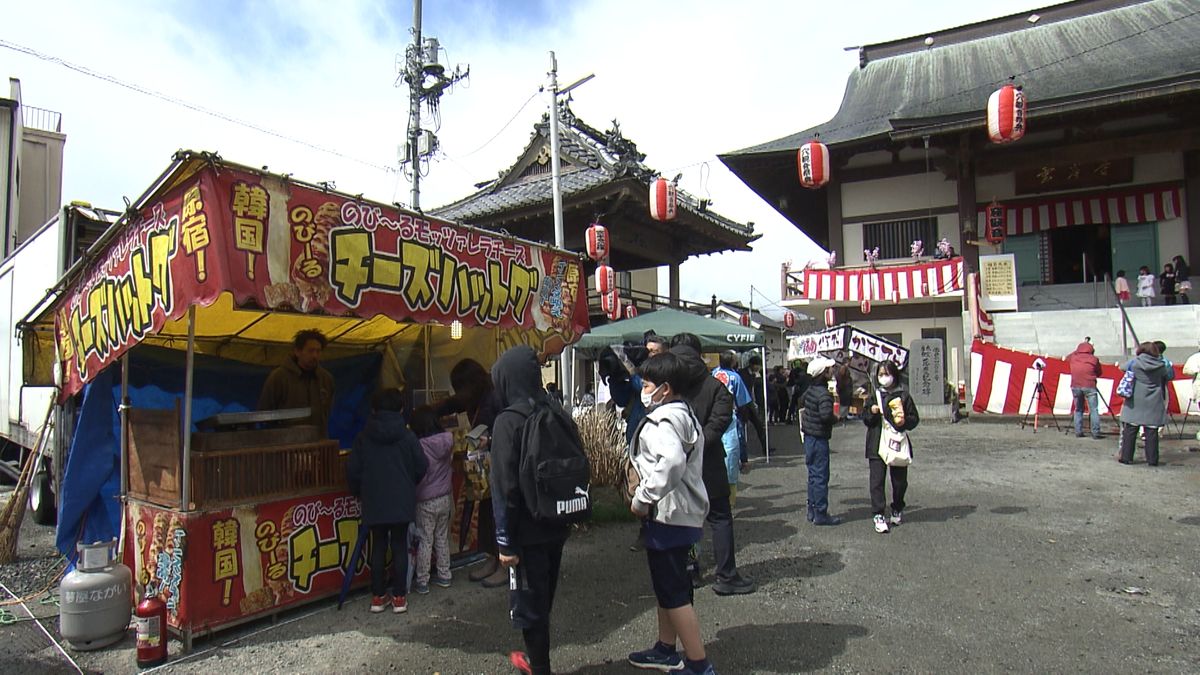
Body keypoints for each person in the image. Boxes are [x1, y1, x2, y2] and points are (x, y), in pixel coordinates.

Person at [626, 352, 717, 675]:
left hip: (669, 517)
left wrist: (643, 498)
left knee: (675, 592)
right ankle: (666, 648)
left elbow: (672, 461)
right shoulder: (684, 413)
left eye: (648, 384)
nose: (644, 389)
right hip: (683, 515)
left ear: (665, 388)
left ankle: (698, 664)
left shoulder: (664, 419)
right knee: (669, 587)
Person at [489, 346, 574, 675]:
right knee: (544, 597)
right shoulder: (556, 410)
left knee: (528, 604)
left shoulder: (508, 422)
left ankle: (539, 668)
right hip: (558, 521)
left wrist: (504, 541)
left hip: (526, 530)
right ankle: (536, 661)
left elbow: (505, 487)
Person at [670, 333, 755, 597]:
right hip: (709, 462)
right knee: (719, 518)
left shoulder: (668, 384)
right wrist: (697, 446)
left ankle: (688, 571)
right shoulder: (716, 387)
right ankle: (726, 576)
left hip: (676, 464)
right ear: (699, 353)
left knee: (684, 519)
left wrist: (681, 450)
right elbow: (718, 425)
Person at [345, 388, 427, 614]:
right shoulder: (407, 435)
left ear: (373, 409)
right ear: (401, 409)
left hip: (374, 499)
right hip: (401, 498)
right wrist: (409, 484)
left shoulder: (363, 436)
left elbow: (352, 469)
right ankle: (399, 597)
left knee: (378, 545)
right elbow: (422, 466)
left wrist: (358, 491)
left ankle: (377, 597)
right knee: (399, 545)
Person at [435, 359, 506, 588]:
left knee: (498, 515)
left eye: (459, 388)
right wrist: (432, 410)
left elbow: (502, 429)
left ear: (470, 384)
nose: (459, 394)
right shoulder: (476, 397)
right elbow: (454, 404)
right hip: (483, 466)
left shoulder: (494, 398)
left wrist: (487, 439)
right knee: (486, 512)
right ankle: (491, 558)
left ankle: (505, 565)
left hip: (499, 464)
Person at [862, 361, 919, 534]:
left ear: (894, 375)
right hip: (876, 443)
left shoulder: (904, 395)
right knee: (877, 481)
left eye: (886, 374)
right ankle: (878, 514)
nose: (883, 378)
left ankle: (897, 507)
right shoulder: (874, 395)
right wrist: (871, 412)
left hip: (896, 443)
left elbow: (914, 419)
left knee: (899, 481)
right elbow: (865, 419)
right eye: (880, 374)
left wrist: (903, 421)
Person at [410, 406, 454, 595]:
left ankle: (422, 580)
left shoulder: (419, 445)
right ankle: (445, 575)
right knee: (442, 538)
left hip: (425, 500)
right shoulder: (448, 440)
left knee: (425, 540)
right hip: (444, 497)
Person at [258, 329, 335, 436]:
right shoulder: (279, 377)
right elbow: (264, 413)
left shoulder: (326, 379)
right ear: (297, 351)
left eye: (318, 351)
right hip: (286, 446)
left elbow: (327, 411)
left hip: (318, 444)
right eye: (310, 351)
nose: (315, 356)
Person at [1118, 342, 1173, 467]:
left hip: (1135, 400)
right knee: (1152, 431)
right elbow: (1169, 376)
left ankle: (1126, 457)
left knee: (1130, 430)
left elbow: (1122, 367)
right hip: (1154, 400)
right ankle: (1152, 460)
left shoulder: (1136, 362)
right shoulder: (1161, 365)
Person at [800, 357, 840, 525]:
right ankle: (821, 513)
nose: (832, 371)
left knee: (813, 475)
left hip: (809, 437)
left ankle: (812, 510)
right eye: (830, 369)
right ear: (824, 373)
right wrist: (836, 418)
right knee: (821, 476)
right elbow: (825, 416)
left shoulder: (810, 390)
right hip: (819, 438)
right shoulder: (824, 394)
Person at [712, 353, 752, 503]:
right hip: (729, 416)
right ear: (733, 362)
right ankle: (729, 501)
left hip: (713, 416)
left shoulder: (713, 374)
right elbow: (742, 401)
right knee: (731, 455)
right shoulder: (735, 377)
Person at [1067, 339, 1103, 440]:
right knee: (1094, 410)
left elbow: (1067, 357)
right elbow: (1099, 372)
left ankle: (1078, 431)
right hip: (1089, 385)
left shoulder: (1074, 357)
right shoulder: (1094, 359)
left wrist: (1078, 349)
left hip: (1076, 385)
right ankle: (1095, 432)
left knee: (1078, 409)